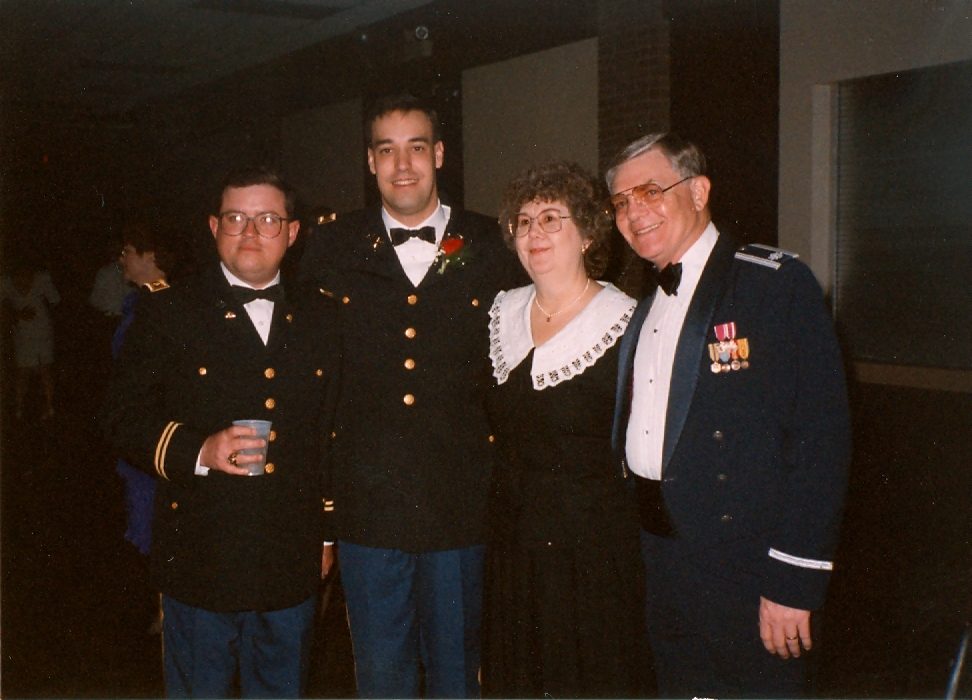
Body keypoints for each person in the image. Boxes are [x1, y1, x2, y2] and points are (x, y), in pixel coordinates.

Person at [608, 133, 852, 697]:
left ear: (698, 191)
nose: (633, 212)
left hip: (747, 572)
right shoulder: (645, 306)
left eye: (649, 191)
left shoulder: (772, 284)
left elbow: (821, 438)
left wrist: (793, 581)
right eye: (621, 202)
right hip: (664, 563)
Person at [299, 93, 522, 698]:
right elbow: (314, 384)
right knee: (380, 674)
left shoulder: (495, 246)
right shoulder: (330, 248)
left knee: (458, 672)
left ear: (440, 155)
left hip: (461, 505)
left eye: (416, 147)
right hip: (367, 507)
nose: (403, 164)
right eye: (387, 150)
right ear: (370, 162)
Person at [100, 166, 341, 698]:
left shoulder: (323, 316)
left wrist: (326, 534)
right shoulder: (168, 312)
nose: (251, 232)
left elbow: (331, 432)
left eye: (267, 219)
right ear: (214, 226)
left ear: (293, 232)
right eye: (236, 218)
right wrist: (199, 447)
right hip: (199, 557)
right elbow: (120, 417)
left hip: (289, 556)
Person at [481, 161, 647, 698]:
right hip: (513, 548)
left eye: (552, 218)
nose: (535, 233)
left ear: (588, 234)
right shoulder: (501, 313)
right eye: (524, 222)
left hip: (592, 555)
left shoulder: (626, 323)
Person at [1, 257, 60, 420]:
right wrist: (16, 314)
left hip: (42, 328)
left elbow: (55, 299)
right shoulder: (5, 282)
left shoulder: (41, 279)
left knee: (44, 369)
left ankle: (49, 407)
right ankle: (19, 408)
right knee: (23, 370)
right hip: (22, 330)